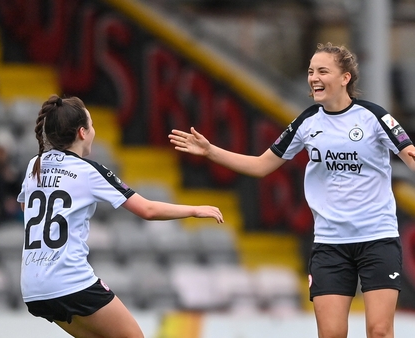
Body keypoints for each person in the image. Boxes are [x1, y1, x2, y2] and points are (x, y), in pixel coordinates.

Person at [169, 42, 415, 338]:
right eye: (311, 71)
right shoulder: (307, 122)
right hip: (330, 243)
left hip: (378, 238)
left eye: (323, 71)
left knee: (378, 331)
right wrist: (210, 151)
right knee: (332, 334)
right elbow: (261, 166)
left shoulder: (374, 117)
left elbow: (409, 154)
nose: (314, 78)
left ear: (345, 77)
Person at [17, 94, 224, 338]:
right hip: (68, 280)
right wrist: (194, 210)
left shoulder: (35, 165)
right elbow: (147, 210)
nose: (94, 131)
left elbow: (25, 209)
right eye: (91, 125)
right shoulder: (88, 171)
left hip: (33, 288)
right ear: (82, 133)